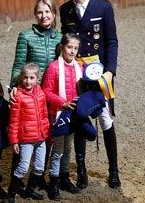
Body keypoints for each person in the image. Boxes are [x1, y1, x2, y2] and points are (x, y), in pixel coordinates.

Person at [60, 0, 121, 189]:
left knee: (105, 120)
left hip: (100, 74)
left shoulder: (103, 7)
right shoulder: (65, 9)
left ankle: (113, 170)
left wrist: (110, 70)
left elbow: (112, 41)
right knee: (79, 117)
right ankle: (82, 171)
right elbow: (65, 41)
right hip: (76, 75)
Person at [9, 0, 62, 190]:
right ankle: (16, 182)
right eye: (40, 12)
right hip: (28, 95)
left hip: (48, 95)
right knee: (25, 137)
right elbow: (18, 65)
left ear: (54, 14)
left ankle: (37, 178)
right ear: (35, 14)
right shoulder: (26, 36)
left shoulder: (59, 37)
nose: (44, 16)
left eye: (47, 11)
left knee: (45, 138)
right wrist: (14, 86)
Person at [42, 33, 83, 200]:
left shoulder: (79, 67)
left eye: (75, 48)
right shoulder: (53, 67)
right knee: (57, 150)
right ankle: (53, 182)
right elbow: (46, 91)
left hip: (73, 114)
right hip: (58, 113)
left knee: (68, 148)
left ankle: (64, 178)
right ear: (61, 47)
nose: (72, 51)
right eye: (69, 47)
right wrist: (63, 102)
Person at [7, 62, 50, 203]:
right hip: (26, 139)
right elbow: (13, 121)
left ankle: (29, 191)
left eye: (32, 78)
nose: (28, 81)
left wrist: (47, 134)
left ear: (37, 78)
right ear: (21, 77)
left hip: (41, 138)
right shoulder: (18, 96)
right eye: (25, 77)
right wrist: (14, 141)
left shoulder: (41, 94)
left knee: (39, 167)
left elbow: (44, 116)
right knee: (23, 167)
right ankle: (11, 195)